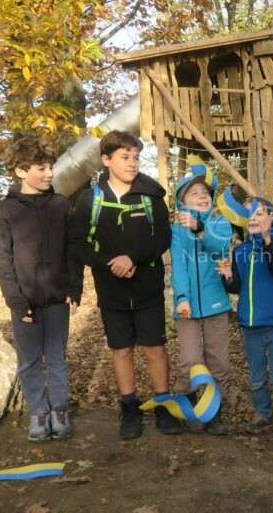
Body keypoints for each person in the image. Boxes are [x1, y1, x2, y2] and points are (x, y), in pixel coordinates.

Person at [71, 130, 182, 439]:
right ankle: (130, 408)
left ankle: (163, 405)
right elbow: (78, 244)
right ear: (106, 160)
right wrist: (111, 262)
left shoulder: (151, 196)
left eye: (135, 157)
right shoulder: (90, 199)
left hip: (147, 288)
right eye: (125, 157)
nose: (132, 163)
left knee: (156, 348)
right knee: (121, 350)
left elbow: (162, 237)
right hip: (112, 291)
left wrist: (131, 257)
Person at [0, 138, 83, 442]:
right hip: (25, 303)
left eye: (50, 167)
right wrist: (16, 301)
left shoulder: (61, 205)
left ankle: (59, 410)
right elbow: (2, 259)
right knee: (29, 360)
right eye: (41, 168)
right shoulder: (6, 211)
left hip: (57, 298)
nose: (49, 174)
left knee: (57, 357)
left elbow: (73, 248)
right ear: (20, 170)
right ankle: (38, 413)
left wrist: (74, 286)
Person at [218, 198, 273, 446]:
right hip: (249, 325)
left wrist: (267, 239)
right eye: (249, 214)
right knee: (256, 377)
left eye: (259, 213)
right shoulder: (241, 250)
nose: (253, 218)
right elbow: (237, 287)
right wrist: (228, 277)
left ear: (271, 218)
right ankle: (263, 413)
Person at [170, 163, 233, 434]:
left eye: (205, 192)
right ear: (182, 199)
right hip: (187, 307)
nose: (201, 196)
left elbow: (219, 247)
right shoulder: (177, 229)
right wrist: (181, 297)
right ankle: (185, 405)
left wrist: (199, 227)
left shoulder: (219, 222)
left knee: (218, 360)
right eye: (194, 192)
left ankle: (213, 411)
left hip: (216, 304)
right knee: (190, 358)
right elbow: (179, 266)